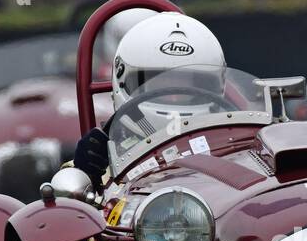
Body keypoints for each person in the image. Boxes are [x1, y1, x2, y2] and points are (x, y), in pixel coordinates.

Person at [74, 11, 226, 186]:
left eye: (186, 87)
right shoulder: (104, 157)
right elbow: (67, 203)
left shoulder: (233, 143)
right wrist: (83, 176)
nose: (174, 97)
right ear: (124, 81)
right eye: (161, 86)